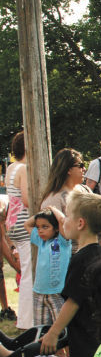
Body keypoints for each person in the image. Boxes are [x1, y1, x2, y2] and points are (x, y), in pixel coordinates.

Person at [40, 192, 101, 357]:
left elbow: (73, 302)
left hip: (85, 346)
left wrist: (53, 333)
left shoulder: (82, 259)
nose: (64, 220)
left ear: (80, 223)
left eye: (68, 216)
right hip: (99, 341)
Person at [23, 209, 71, 327]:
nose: (40, 231)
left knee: (62, 330)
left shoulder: (63, 241)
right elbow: (27, 224)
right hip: (39, 292)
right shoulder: (41, 241)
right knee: (41, 330)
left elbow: (61, 220)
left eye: (45, 227)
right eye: (38, 227)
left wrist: (52, 209)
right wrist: (41, 214)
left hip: (57, 293)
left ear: (56, 228)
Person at [40, 148, 92, 253]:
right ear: (68, 169)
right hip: (69, 256)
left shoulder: (86, 190)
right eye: (80, 166)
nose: (84, 169)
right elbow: (49, 235)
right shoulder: (53, 199)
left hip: (92, 251)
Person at [6, 131, 32, 330]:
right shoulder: (23, 168)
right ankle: (27, 320)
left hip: (13, 224)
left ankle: (25, 319)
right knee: (29, 274)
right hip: (24, 224)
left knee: (26, 273)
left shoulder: (11, 167)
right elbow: (26, 199)